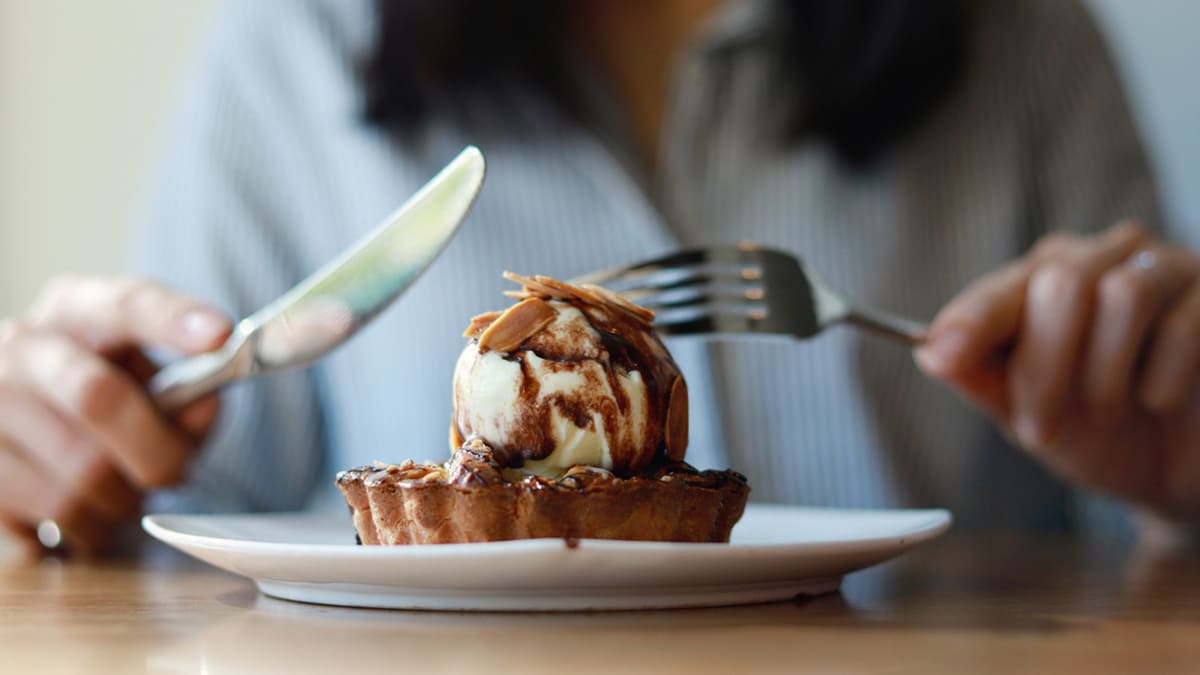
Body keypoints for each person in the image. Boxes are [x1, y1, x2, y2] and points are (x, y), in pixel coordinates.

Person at [1, 0, 1197, 557]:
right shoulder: (295, 47)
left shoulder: (1023, 40)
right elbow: (187, 534)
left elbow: (1146, 517)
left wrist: (1179, 475)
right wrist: (67, 480)